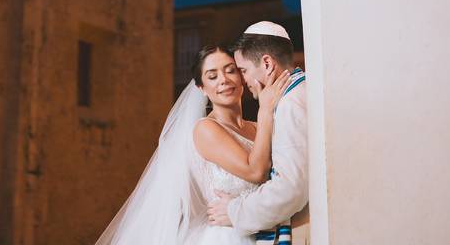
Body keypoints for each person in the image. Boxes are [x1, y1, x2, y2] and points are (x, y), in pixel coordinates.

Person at [95, 43, 290, 244]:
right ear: (202, 88)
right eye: (212, 76)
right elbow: (256, 171)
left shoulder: (259, 127)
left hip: (268, 232)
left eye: (230, 70)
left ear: (241, 76)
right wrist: (266, 109)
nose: (223, 80)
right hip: (228, 236)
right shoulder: (206, 129)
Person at [208, 21, 309, 245]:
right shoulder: (301, 92)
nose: (242, 80)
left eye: (242, 70)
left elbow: (291, 188)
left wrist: (235, 211)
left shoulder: (290, 104)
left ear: (266, 63)